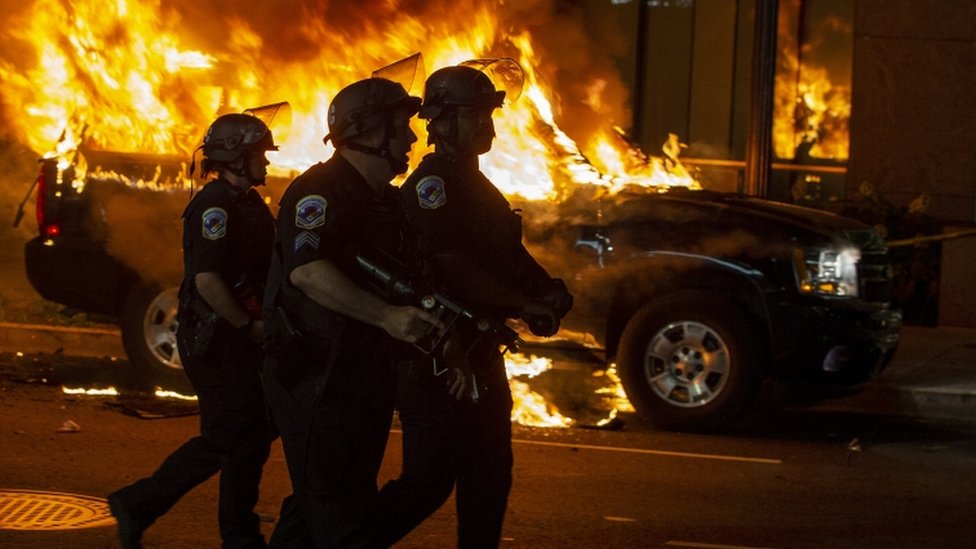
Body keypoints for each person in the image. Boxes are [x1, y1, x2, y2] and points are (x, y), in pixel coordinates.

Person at [376, 62, 573, 548]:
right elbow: (452, 266)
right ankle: (342, 541)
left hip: (482, 351)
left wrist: (545, 287)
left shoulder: (477, 184)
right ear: (440, 122)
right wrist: (522, 302)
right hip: (440, 355)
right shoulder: (432, 187)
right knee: (429, 481)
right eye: (473, 115)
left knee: (490, 476)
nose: (485, 126)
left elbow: (505, 252)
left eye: (487, 115)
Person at [261, 76, 442, 548]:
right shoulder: (317, 193)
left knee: (317, 510)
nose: (411, 138)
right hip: (317, 381)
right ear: (368, 131)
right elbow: (308, 271)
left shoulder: (385, 201)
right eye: (400, 126)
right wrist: (386, 316)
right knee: (343, 522)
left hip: (361, 377)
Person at [108, 112, 278, 549]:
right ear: (236, 157)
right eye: (259, 153)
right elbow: (207, 279)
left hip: (235, 340)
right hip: (218, 341)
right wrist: (247, 326)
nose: (266, 161)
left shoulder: (248, 202)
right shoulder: (215, 205)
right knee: (233, 436)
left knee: (249, 435)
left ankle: (151, 507)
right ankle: (147, 505)